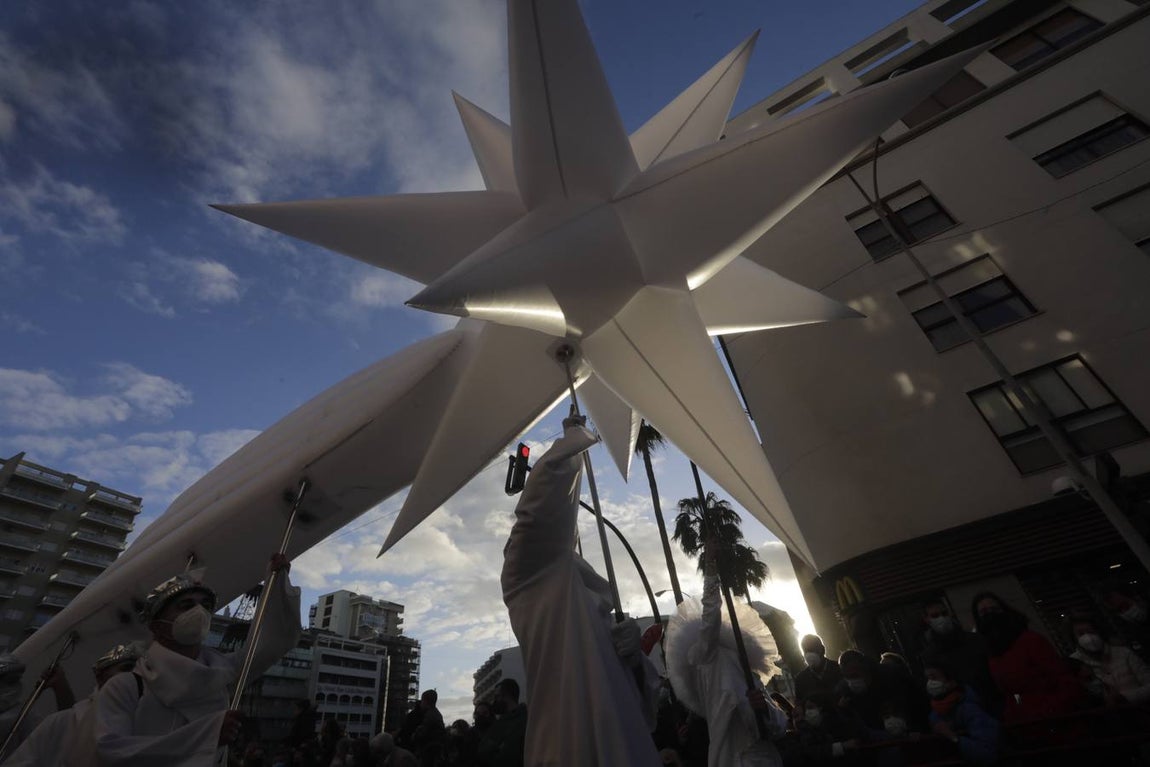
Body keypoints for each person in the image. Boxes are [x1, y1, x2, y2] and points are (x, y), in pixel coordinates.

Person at [500, 415, 661, 765]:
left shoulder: (573, 577)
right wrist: (572, 437)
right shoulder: (526, 573)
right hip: (569, 734)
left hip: (619, 732)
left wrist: (633, 658)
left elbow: (646, 701)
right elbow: (540, 504)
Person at [94, 554, 301, 766]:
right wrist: (209, 735)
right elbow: (110, 751)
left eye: (205, 605)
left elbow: (274, 641)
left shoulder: (224, 672)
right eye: (186, 605)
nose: (199, 612)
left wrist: (276, 582)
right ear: (157, 625)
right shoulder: (125, 686)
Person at [665, 529, 788, 766]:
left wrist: (763, 710)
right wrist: (711, 569)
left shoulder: (747, 674)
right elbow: (710, 614)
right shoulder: (705, 657)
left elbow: (779, 726)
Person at [3, 642, 142, 767]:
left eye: (141, 670)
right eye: (127, 668)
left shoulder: (151, 726)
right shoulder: (60, 722)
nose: (134, 676)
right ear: (100, 677)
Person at [970, 591, 1083, 725]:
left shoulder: (1031, 640)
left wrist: (1049, 712)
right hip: (1026, 723)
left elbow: (1063, 681)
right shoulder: (993, 653)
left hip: (1055, 720)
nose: (990, 615)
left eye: (994, 609)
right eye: (983, 612)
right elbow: (1012, 694)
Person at [918, 598, 999, 714]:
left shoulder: (975, 640)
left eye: (944, 613)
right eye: (935, 616)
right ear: (926, 619)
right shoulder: (929, 655)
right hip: (963, 710)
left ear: (950, 613)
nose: (941, 618)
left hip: (991, 702)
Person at [923, 660, 1000, 766]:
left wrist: (953, 737)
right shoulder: (935, 713)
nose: (930, 683)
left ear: (951, 682)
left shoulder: (970, 708)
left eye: (934, 677)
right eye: (928, 678)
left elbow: (987, 752)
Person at [0, 651, 75, 759]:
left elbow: (64, 736)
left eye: (12, 681)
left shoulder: (24, 718)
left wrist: (60, 686)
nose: (9, 686)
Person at [837, 649, 929, 737]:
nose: (852, 681)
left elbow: (919, 701)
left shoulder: (893, 676)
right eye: (847, 677)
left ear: (865, 667)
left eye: (854, 675)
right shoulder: (847, 692)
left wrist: (916, 728)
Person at [1067, 613, 1150, 705]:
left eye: (1091, 631)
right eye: (1081, 634)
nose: (1088, 637)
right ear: (1074, 638)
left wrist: (1125, 698)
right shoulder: (1074, 663)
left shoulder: (1124, 653)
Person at [476, 678, 526, 767]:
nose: (494, 701)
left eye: (496, 696)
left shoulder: (520, 721)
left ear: (505, 696)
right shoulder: (504, 720)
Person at [1104, 588, 1150, 660]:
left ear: (1136, 598)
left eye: (1126, 606)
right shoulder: (1134, 634)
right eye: (1119, 610)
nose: (1125, 612)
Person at [795, 635, 842, 702]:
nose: (809, 655)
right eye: (806, 651)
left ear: (822, 650)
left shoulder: (839, 669)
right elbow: (799, 704)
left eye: (812, 649)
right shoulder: (800, 680)